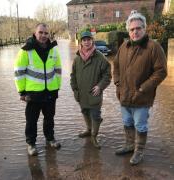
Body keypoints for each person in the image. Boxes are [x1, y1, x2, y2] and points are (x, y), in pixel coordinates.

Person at [113, 10, 167, 165]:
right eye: (132, 29)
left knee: (140, 125)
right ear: (128, 31)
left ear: (145, 28)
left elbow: (161, 71)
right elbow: (115, 65)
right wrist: (117, 82)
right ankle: (129, 145)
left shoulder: (154, 47)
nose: (135, 31)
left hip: (142, 97)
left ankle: (139, 151)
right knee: (127, 122)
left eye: (138, 28)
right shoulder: (124, 46)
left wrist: (143, 88)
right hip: (123, 95)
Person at [14, 23, 62, 156]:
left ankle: (50, 139)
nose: (43, 35)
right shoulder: (26, 50)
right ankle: (31, 144)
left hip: (50, 92)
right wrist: (22, 92)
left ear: (49, 35)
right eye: (41, 32)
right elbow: (19, 72)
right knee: (31, 120)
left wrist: (57, 87)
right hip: (33, 93)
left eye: (46, 33)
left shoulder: (53, 49)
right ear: (35, 33)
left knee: (49, 118)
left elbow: (58, 70)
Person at [70, 31, 111, 149]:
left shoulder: (100, 57)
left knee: (96, 116)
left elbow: (107, 75)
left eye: (89, 39)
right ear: (81, 42)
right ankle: (88, 130)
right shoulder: (77, 58)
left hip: (94, 94)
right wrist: (74, 89)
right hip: (81, 94)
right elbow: (73, 75)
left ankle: (94, 136)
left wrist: (100, 86)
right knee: (85, 112)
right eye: (84, 40)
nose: (86, 42)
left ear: (92, 41)